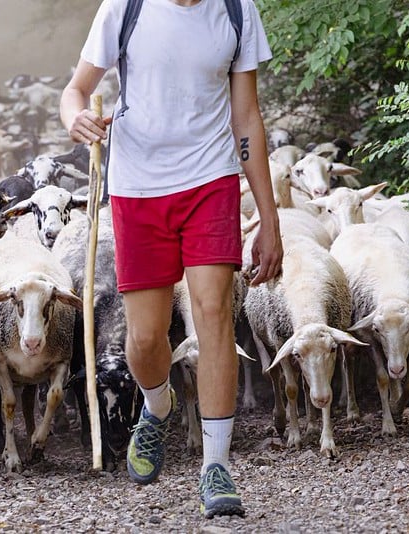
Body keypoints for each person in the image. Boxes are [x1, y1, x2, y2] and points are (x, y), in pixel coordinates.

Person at [59, 0, 283, 519]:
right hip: (138, 188)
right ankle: (158, 404)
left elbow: (246, 116)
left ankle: (216, 466)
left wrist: (269, 218)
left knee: (214, 312)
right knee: (144, 338)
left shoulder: (236, 10)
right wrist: (76, 120)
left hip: (211, 179)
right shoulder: (125, 7)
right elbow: (75, 91)